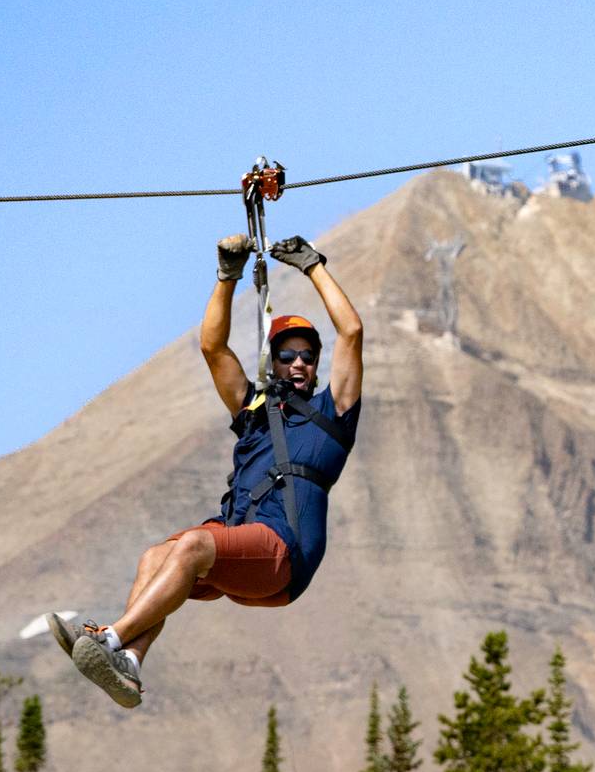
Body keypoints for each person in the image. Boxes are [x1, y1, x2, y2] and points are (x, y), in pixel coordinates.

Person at [47, 232, 364, 706]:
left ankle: (110, 639)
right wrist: (226, 276)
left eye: (307, 355)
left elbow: (353, 332)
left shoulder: (333, 414)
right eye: (286, 355)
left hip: (284, 553)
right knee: (159, 555)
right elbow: (213, 348)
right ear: (272, 363)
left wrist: (312, 265)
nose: (298, 362)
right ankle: (130, 664)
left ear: (317, 364)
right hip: (243, 550)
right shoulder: (255, 413)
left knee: (195, 544)